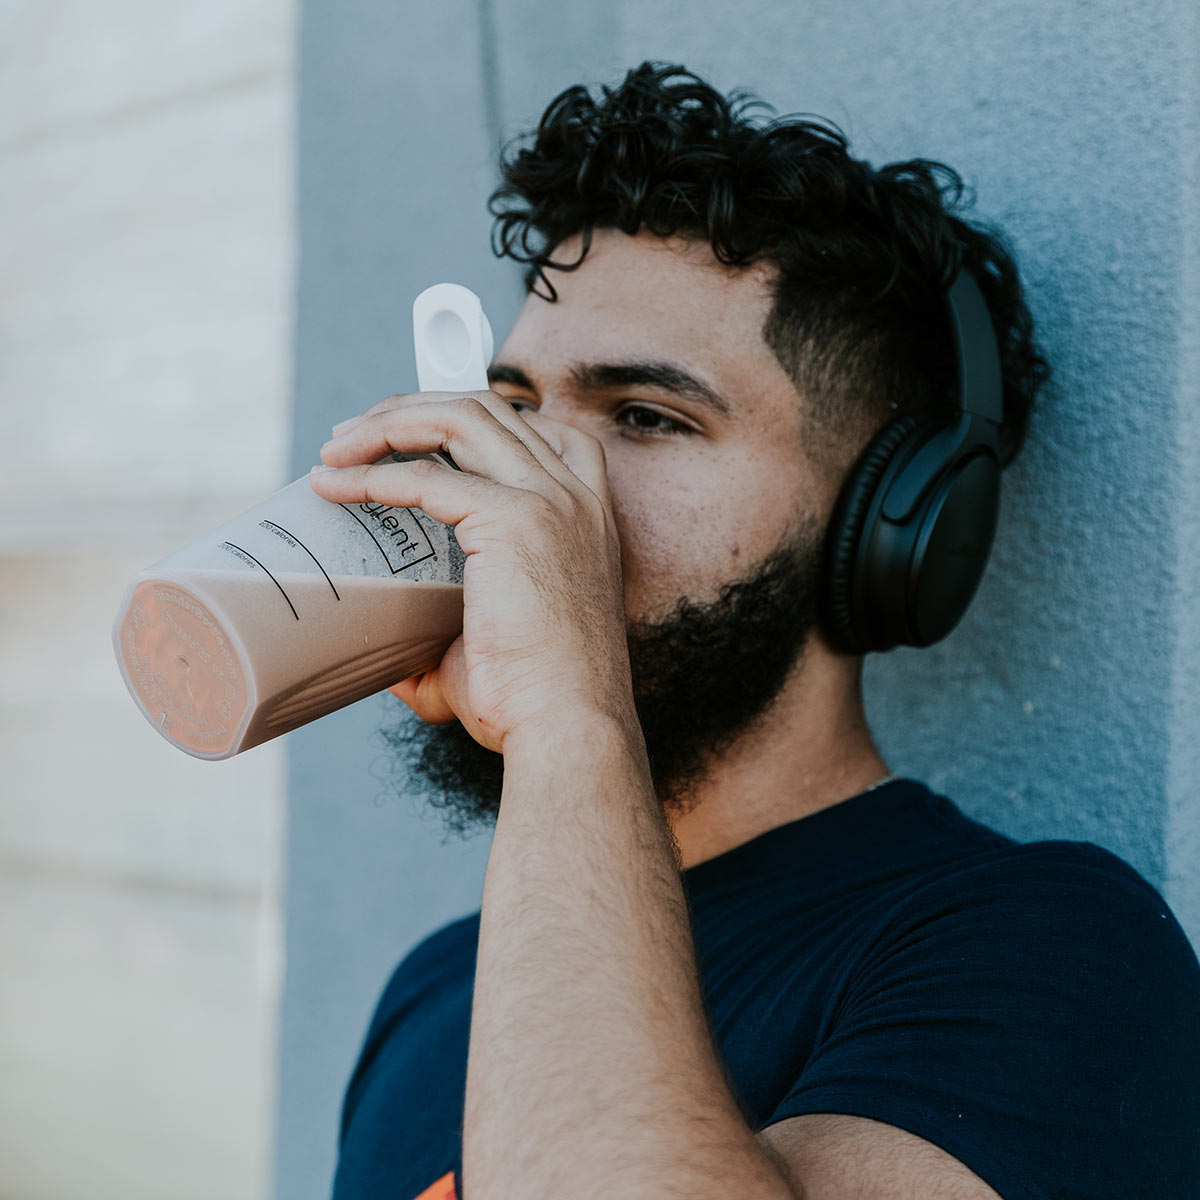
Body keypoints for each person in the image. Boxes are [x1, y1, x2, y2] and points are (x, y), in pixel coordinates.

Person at [310, 62, 1200, 1200]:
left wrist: (563, 708)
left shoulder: (1048, 952)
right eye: (519, 406)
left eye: (644, 415)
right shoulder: (443, 987)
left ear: (886, 530)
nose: (533, 475)